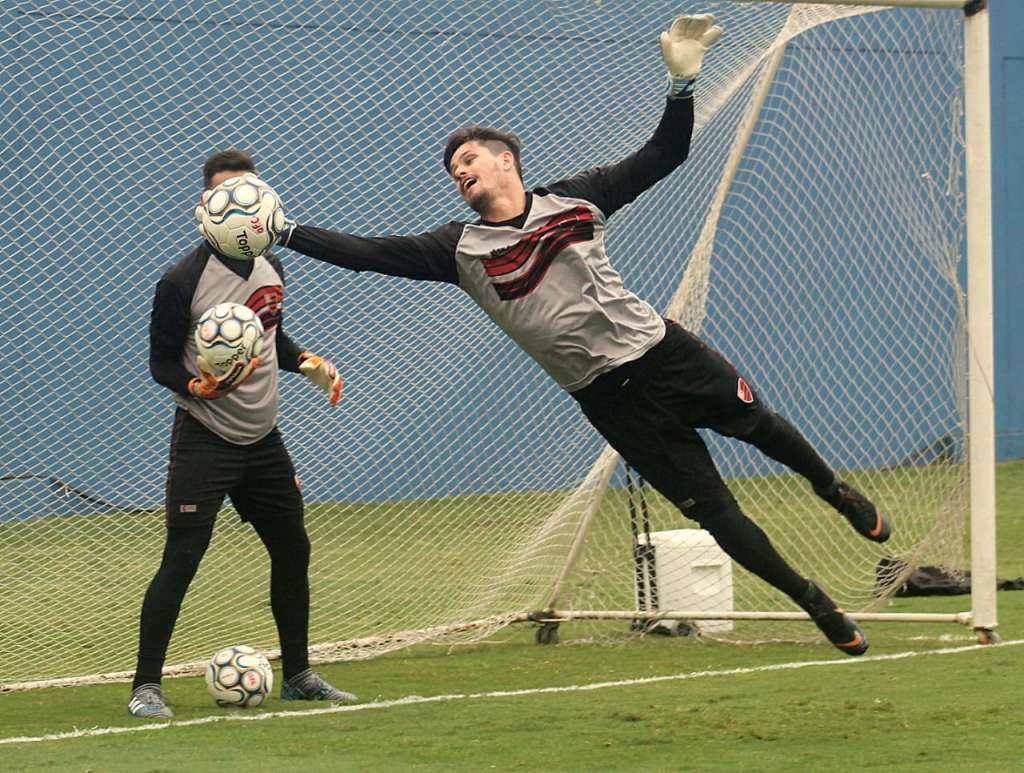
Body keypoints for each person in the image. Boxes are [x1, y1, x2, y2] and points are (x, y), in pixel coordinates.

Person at [277, 15, 890, 655]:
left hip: (664, 353)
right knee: (716, 514)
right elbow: (366, 254)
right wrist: (287, 231)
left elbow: (665, 155)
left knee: (758, 423)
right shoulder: (454, 249)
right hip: (608, 399)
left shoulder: (578, 198)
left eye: (469, 159)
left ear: (505, 160)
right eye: (452, 169)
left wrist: (682, 85)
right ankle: (812, 601)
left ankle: (833, 489)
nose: (459, 171)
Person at [129, 149, 357, 719]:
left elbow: (267, 336)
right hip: (205, 436)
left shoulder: (272, 266)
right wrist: (192, 383)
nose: (244, 206)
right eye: (229, 194)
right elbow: (159, 363)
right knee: (183, 556)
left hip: (263, 439)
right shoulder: (181, 280)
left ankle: (299, 675)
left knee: (293, 548)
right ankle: (145, 687)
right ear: (207, 207)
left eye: (251, 191)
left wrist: (307, 362)